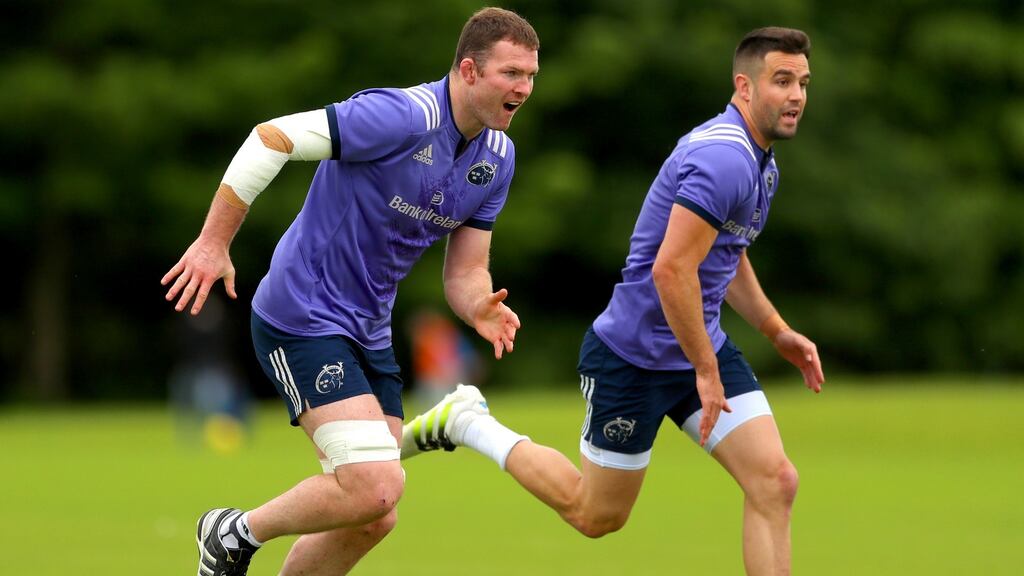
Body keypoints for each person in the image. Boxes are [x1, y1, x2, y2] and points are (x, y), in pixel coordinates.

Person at [402, 27, 823, 576]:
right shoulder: (725, 159)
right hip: (634, 357)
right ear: (744, 86)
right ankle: (467, 422)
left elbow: (725, 253)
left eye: (803, 83)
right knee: (595, 515)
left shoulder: (760, 161)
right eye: (782, 81)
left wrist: (774, 330)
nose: (796, 96)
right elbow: (671, 270)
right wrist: (706, 369)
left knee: (775, 481)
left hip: (697, 346)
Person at [161, 7, 539, 576]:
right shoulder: (400, 116)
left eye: (530, 75)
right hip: (302, 312)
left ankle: (242, 537)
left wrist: (478, 307)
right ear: (468, 70)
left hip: (369, 331)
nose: (524, 88)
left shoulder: (498, 160)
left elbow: (465, 274)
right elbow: (271, 138)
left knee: (373, 516)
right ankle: (231, 534)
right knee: (376, 487)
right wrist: (214, 243)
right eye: (511, 73)